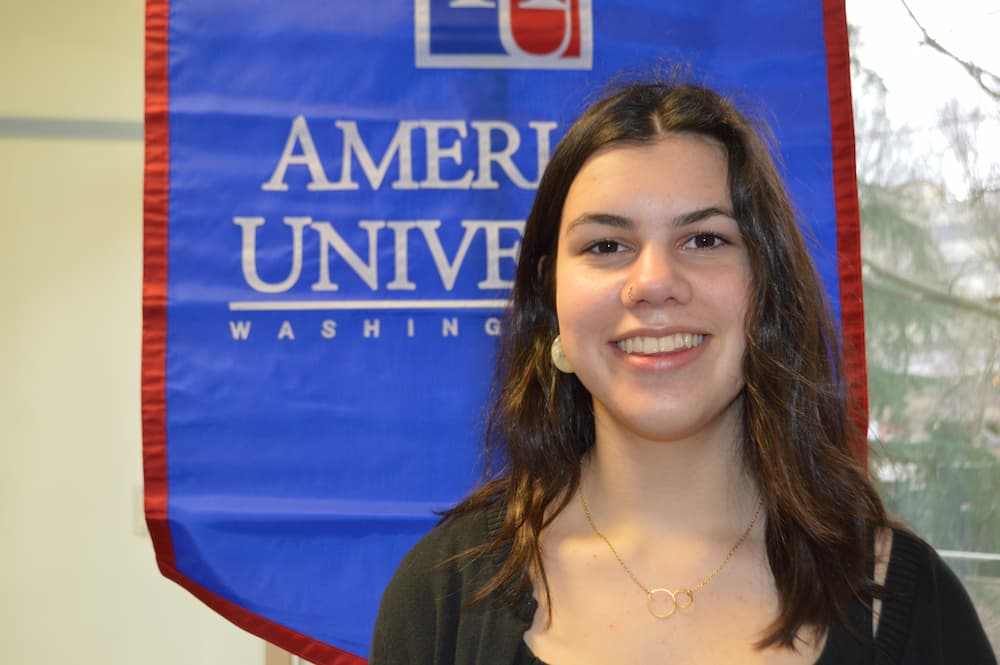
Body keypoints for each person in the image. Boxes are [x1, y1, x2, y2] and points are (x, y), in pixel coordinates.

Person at [369, 79, 996, 664]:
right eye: (606, 246)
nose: (655, 283)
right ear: (550, 297)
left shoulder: (909, 605)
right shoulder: (441, 598)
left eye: (705, 240)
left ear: (767, 288)